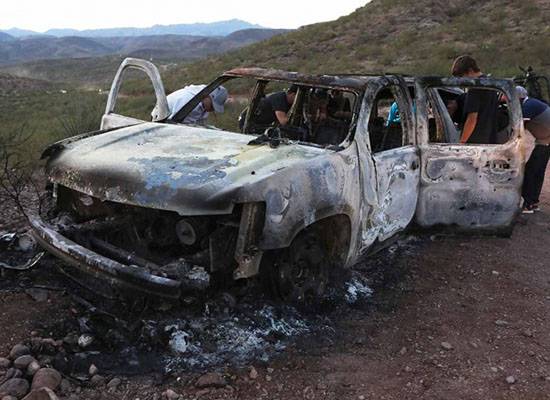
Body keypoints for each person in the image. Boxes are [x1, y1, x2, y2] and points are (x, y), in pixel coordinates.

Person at [515, 86, 550, 213]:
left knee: (531, 171)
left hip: (546, 141)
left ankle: (528, 204)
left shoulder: (527, 106)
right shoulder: (532, 103)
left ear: (518, 98)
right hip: (545, 141)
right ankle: (533, 203)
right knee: (538, 171)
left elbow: (518, 127)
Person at [451, 55, 499, 144]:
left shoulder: (475, 88)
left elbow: (472, 119)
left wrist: (462, 142)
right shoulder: (492, 85)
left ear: (470, 71)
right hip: (490, 140)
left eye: (461, 77)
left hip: (474, 142)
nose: (461, 83)